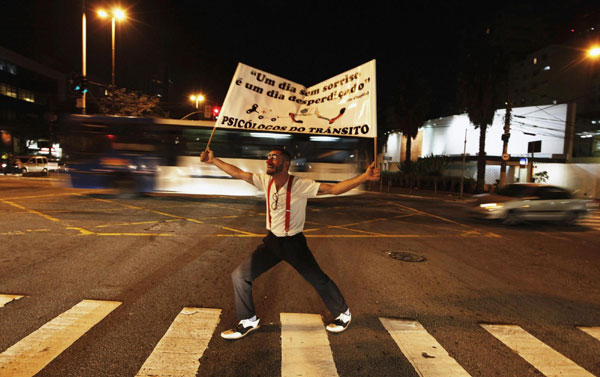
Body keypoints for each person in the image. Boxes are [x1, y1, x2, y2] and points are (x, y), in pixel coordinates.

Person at [200, 146, 380, 340]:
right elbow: (240, 173)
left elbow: (334, 189)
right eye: (268, 157)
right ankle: (249, 320)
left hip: (293, 243)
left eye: (274, 158)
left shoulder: (300, 185)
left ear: (286, 164)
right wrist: (213, 160)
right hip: (272, 243)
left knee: (318, 279)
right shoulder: (265, 180)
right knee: (240, 276)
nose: (269, 160)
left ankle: (343, 314)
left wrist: (364, 177)